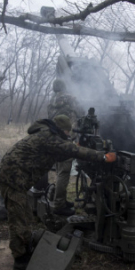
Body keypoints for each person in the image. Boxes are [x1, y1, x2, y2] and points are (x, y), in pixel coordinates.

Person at [0, 115, 116, 270]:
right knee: (18, 219)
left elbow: (62, 152)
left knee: (23, 215)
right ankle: (20, 260)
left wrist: (76, 146)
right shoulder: (48, 137)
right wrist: (104, 156)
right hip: (12, 178)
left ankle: (25, 246)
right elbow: (70, 150)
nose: (67, 135)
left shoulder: (46, 134)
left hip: (15, 177)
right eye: (66, 132)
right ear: (61, 129)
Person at [47, 79, 84, 216]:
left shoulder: (51, 101)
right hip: (66, 138)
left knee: (59, 171)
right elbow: (81, 113)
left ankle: (60, 199)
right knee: (64, 172)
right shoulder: (70, 98)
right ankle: (59, 205)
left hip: (53, 138)